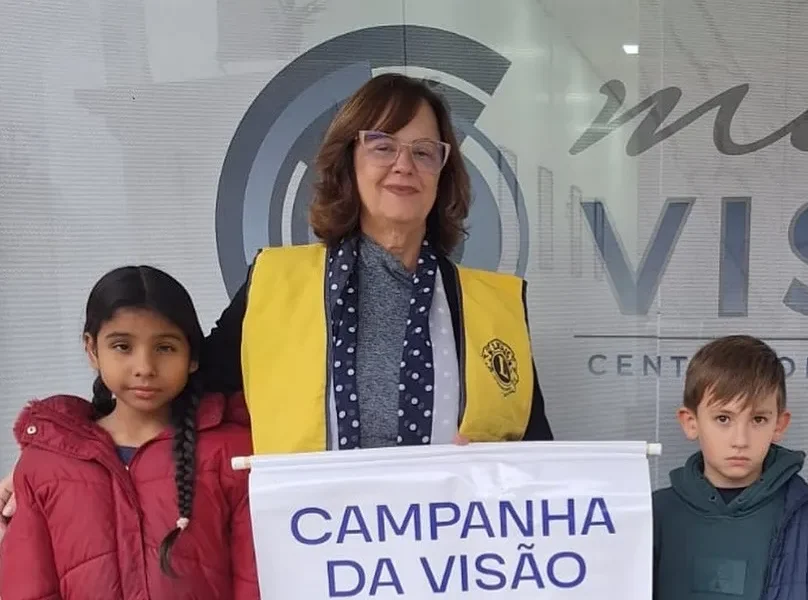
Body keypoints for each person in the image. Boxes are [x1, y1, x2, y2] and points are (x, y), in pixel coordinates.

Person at [0, 72, 553, 524]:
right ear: (349, 161)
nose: (403, 165)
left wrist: (509, 473)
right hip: (314, 555)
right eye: (382, 145)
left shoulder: (490, 305)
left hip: (454, 559)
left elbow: (544, 456)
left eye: (424, 151)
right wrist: (52, 465)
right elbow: (174, 390)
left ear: (442, 171)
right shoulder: (277, 284)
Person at [0, 266, 258, 599]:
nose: (144, 368)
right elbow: (28, 587)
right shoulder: (45, 465)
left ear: (193, 356)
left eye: (165, 348)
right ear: (92, 349)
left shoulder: (233, 454)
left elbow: (255, 582)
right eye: (122, 346)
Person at [652, 335, 808, 600]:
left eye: (758, 419)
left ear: (779, 425)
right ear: (690, 422)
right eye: (723, 418)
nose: (740, 440)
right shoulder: (648, 518)